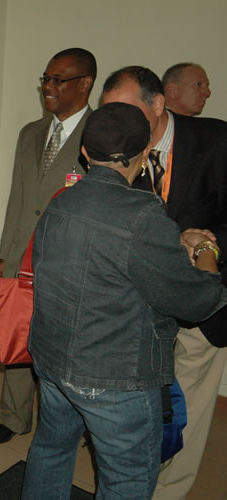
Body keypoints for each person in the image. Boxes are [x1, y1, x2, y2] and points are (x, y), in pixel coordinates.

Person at [22, 102, 227, 499]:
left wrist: (172, 242)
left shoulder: (60, 202)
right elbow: (199, 300)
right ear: (145, 154)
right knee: (127, 480)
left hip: (52, 363)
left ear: (85, 153)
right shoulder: (142, 215)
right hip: (114, 378)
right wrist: (206, 249)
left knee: (50, 451)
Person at [101, 66, 227, 499]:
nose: (115, 122)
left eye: (125, 110)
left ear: (158, 105)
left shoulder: (214, 141)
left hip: (198, 302)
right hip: (136, 309)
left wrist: (205, 245)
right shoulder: (113, 148)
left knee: (187, 412)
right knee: (141, 407)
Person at [0, 48, 96, 445]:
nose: (48, 87)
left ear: (85, 84)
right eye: (45, 79)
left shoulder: (99, 135)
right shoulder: (31, 133)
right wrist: (4, 256)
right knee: (17, 335)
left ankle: (72, 424)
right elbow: (19, 199)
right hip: (21, 257)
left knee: (65, 349)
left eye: (58, 80)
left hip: (68, 263)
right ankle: (13, 418)